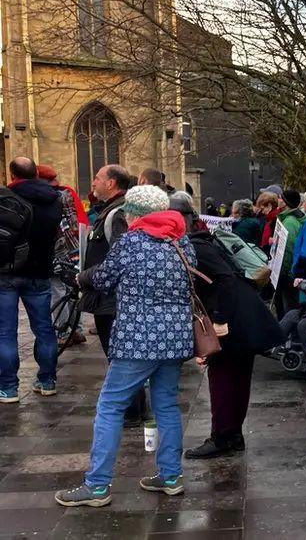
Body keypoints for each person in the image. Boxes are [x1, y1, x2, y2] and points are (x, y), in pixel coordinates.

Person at [56, 185, 194, 507]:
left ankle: (98, 484)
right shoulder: (181, 241)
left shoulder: (132, 241)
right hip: (175, 338)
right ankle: (171, 476)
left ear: (133, 214)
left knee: (110, 406)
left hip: (138, 340)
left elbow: (104, 278)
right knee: (167, 407)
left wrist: (81, 278)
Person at [170, 193, 285, 459]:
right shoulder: (204, 240)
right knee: (237, 378)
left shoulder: (195, 246)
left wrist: (218, 318)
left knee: (222, 379)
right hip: (244, 314)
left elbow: (223, 279)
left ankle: (222, 436)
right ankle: (232, 434)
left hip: (232, 318)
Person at [80, 165, 148, 427]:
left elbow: (122, 257)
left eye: (97, 178)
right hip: (106, 298)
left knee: (121, 358)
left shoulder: (118, 213)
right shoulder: (111, 209)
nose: (93, 183)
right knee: (120, 357)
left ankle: (131, 413)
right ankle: (134, 410)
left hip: (113, 300)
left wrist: (85, 277)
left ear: (111, 183)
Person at [0, 158, 62, 403]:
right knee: (45, 329)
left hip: (7, 272)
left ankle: (8, 388)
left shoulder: (6, 198)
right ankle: (47, 381)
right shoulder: (53, 199)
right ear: (36, 173)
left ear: (12, 174)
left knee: (6, 333)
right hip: (40, 272)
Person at [38, 164, 88, 348]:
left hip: (54, 248)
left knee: (57, 290)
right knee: (72, 289)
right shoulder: (67, 193)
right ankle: (77, 329)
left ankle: (63, 331)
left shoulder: (43, 196)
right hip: (71, 247)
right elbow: (76, 223)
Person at [272, 189, 306, 316]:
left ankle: (288, 332)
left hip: (287, 271)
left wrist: (283, 271)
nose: (278, 200)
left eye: (281, 198)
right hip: (289, 270)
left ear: (286, 202)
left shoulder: (289, 222)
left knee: (288, 306)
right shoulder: (288, 219)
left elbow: (288, 248)